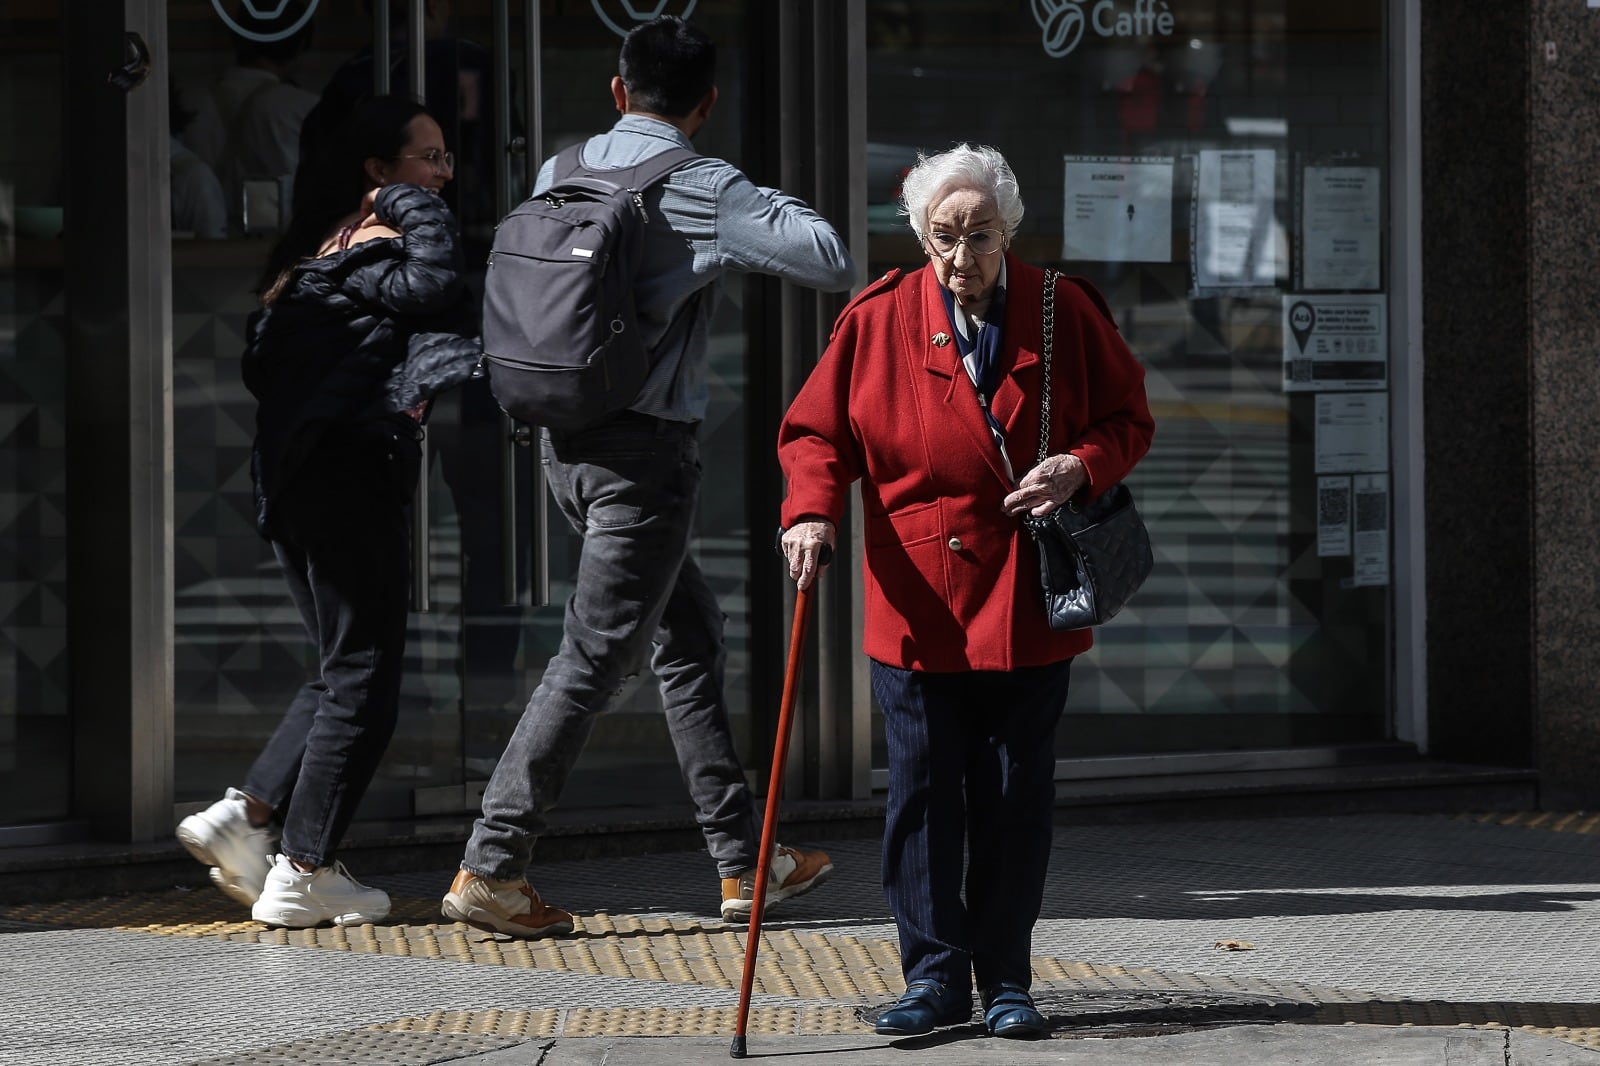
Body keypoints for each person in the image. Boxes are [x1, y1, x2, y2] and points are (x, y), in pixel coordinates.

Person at [439, 15, 856, 938]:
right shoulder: (702, 184)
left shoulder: (561, 169)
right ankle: (493, 866)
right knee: (595, 657)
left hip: (562, 442)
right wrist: (741, 196)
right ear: (707, 104)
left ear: (619, 90)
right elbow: (829, 258)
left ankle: (745, 863)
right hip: (643, 462)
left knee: (688, 633)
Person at [776, 144, 1154, 1039]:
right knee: (922, 795)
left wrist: (1079, 465)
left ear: (1008, 231)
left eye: (980, 235)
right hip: (917, 600)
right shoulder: (877, 319)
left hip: (1027, 599)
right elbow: (816, 434)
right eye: (944, 236)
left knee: (1015, 796)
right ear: (920, 237)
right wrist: (811, 513)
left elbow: (1128, 418)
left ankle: (1007, 978)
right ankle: (934, 978)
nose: (962, 256)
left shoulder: (1063, 310)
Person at [177, 96, 481, 929]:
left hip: (300, 478)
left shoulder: (321, 250)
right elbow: (436, 283)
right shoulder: (382, 243)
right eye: (427, 159)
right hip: (350, 474)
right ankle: (304, 868)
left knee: (339, 664)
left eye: (446, 159)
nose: (443, 175)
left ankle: (247, 813)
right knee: (364, 678)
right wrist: (406, 204)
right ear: (376, 171)